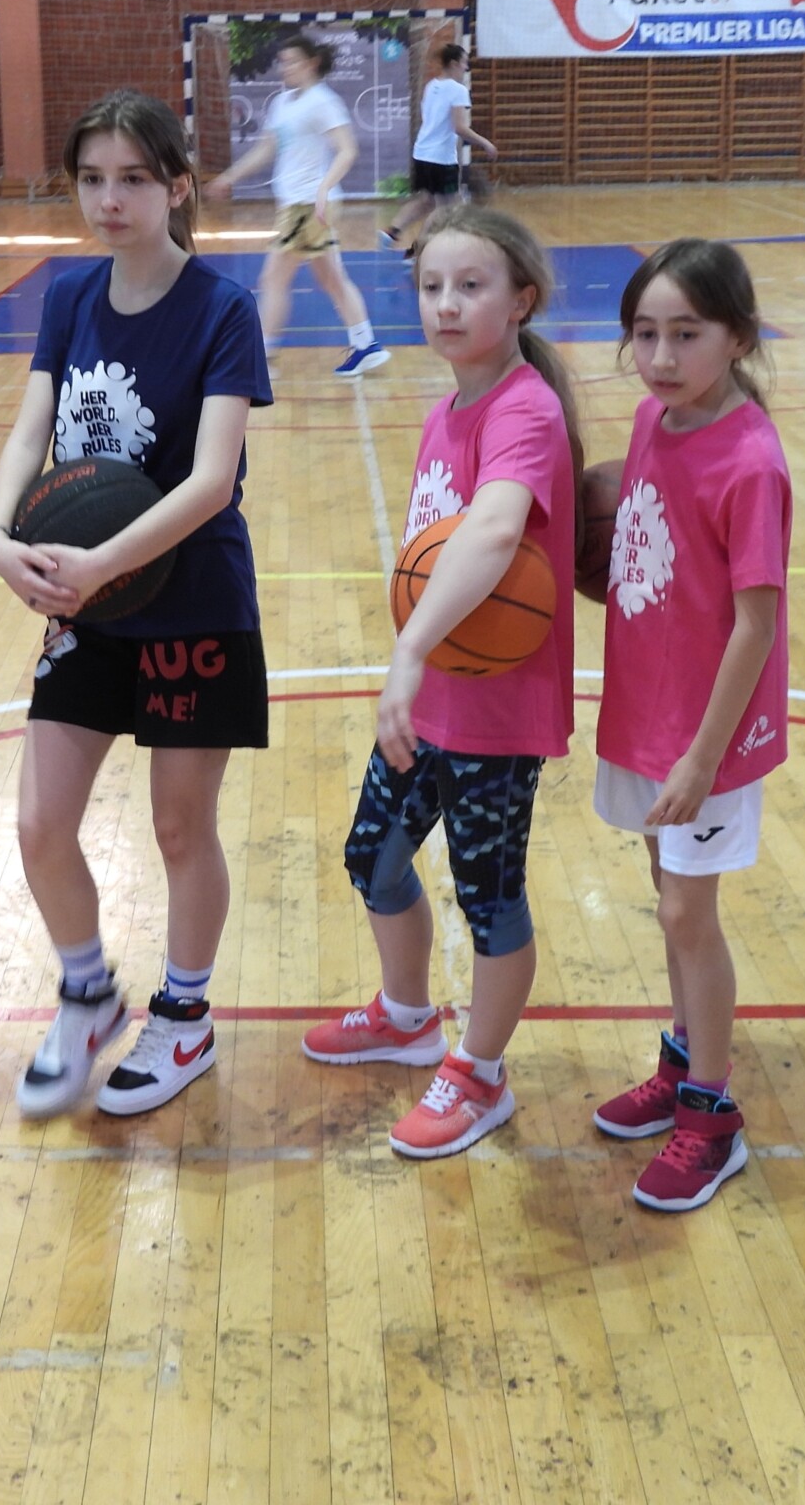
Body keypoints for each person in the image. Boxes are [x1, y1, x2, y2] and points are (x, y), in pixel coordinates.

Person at [0, 91, 271, 1118]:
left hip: (191, 600)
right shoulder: (69, 296)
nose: (109, 200)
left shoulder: (223, 309)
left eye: (134, 179)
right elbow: (32, 430)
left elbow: (212, 482)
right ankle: (87, 992)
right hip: (87, 603)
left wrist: (101, 562)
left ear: (177, 186)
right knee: (37, 822)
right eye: (92, 179)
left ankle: (183, 1018)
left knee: (181, 830)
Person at [301, 206, 579, 1160]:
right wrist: (418, 665)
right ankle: (407, 1014)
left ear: (521, 301)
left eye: (471, 286)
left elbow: (494, 531)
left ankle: (482, 1071)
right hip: (434, 704)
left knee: (488, 897)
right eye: (430, 288)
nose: (446, 305)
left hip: (496, 711)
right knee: (372, 858)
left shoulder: (524, 409)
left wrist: (408, 652)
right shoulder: (446, 411)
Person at [587, 239, 790, 1213]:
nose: (661, 357)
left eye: (686, 335)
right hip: (647, 706)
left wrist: (704, 759)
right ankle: (680, 1059)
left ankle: (712, 1113)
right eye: (644, 334)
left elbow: (756, 623)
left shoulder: (750, 460)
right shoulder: (649, 420)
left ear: (737, 337)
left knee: (685, 915)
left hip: (709, 733)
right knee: (664, 889)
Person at [206, 32, 388, 377]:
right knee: (332, 279)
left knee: (273, 278)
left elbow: (347, 149)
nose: (284, 68)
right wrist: (229, 177)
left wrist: (324, 188)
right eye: (282, 62)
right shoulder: (282, 103)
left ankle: (262, 356)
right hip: (296, 205)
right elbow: (265, 148)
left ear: (312, 63)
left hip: (308, 206)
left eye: (291, 61)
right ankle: (366, 345)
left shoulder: (323, 101)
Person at [390, 43, 495, 254]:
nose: (466, 67)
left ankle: (392, 231)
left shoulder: (432, 85)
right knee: (447, 209)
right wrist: (485, 143)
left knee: (428, 201)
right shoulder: (458, 90)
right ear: (454, 63)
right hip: (441, 158)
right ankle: (418, 249)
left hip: (422, 153)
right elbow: (459, 127)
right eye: (464, 62)